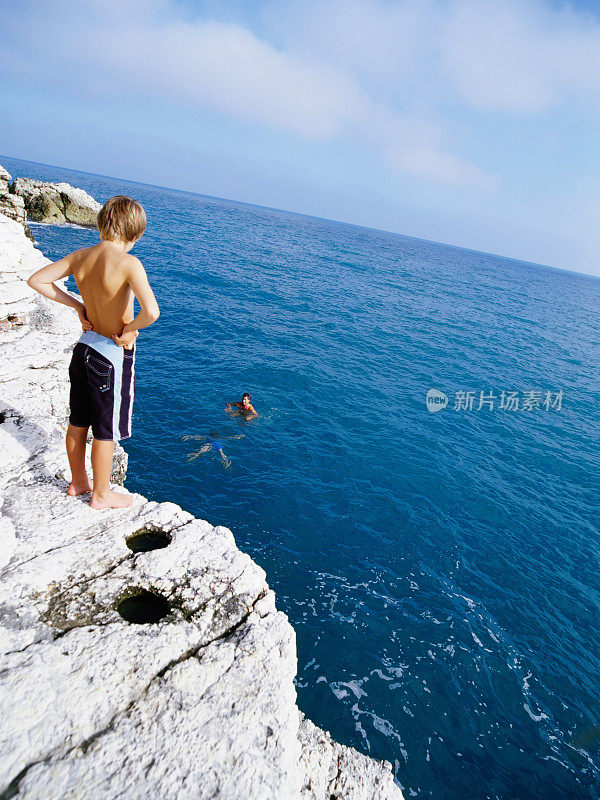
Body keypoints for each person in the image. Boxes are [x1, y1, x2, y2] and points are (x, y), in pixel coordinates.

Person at [27, 195, 160, 510]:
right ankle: (101, 494)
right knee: (104, 429)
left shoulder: (81, 256)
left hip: (83, 350)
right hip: (110, 356)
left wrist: (77, 306)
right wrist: (130, 330)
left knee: (78, 420)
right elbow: (151, 312)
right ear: (135, 234)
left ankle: (78, 482)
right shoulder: (129, 263)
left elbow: (37, 279)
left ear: (101, 223)